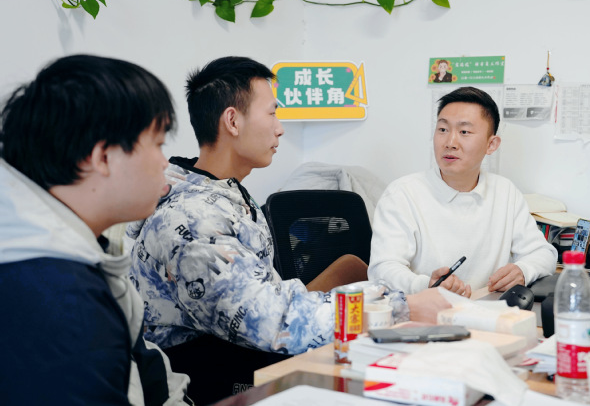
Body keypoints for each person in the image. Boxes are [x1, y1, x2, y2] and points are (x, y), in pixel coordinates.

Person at [126, 57, 449, 400]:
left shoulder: (223, 192)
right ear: (232, 121)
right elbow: (271, 321)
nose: (280, 128)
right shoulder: (194, 221)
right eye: (272, 113)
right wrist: (402, 307)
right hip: (210, 379)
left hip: (243, 351)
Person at [0, 55, 191, 405]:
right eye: (158, 144)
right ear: (102, 157)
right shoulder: (59, 301)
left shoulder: (79, 252)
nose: (164, 162)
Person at [368, 86, 558, 297]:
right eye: (443, 129)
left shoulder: (505, 193)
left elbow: (543, 253)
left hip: (489, 310)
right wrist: (426, 285)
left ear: (491, 144)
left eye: (464, 132)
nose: (450, 143)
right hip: (426, 311)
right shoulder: (402, 194)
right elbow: (382, 269)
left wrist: (523, 270)